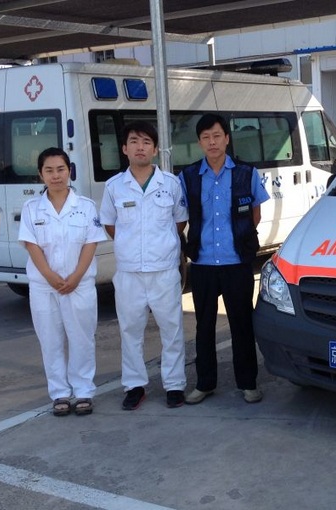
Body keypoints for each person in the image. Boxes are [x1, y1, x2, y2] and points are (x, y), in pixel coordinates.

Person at [180, 113, 270, 405]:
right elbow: (182, 216)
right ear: (199, 142)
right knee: (203, 326)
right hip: (203, 263)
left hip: (237, 263)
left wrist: (240, 237)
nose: (212, 142)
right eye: (205, 137)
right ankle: (205, 383)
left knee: (242, 324)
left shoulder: (246, 173)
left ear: (227, 138)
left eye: (217, 136)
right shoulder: (188, 176)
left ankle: (248, 383)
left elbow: (255, 213)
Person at [99, 120, 188, 410]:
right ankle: (135, 386)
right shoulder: (114, 187)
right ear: (124, 148)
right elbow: (110, 224)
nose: (140, 147)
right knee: (130, 332)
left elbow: (179, 222)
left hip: (163, 271)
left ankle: (174, 385)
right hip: (129, 273)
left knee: (172, 330)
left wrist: (159, 246)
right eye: (134, 141)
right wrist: (131, 246)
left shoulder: (171, 184)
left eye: (147, 142)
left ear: (156, 149)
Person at [19, 147, 107, 416]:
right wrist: (50, 276)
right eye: (49, 170)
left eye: (60, 169)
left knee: (82, 339)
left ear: (69, 171)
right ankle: (59, 393)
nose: (55, 175)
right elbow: (31, 245)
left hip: (79, 285)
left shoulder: (85, 207)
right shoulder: (31, 208)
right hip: (44, 287)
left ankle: (83, 391)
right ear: (40, 174)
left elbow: (91, 243)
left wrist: (76, 276)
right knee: (50, 341)